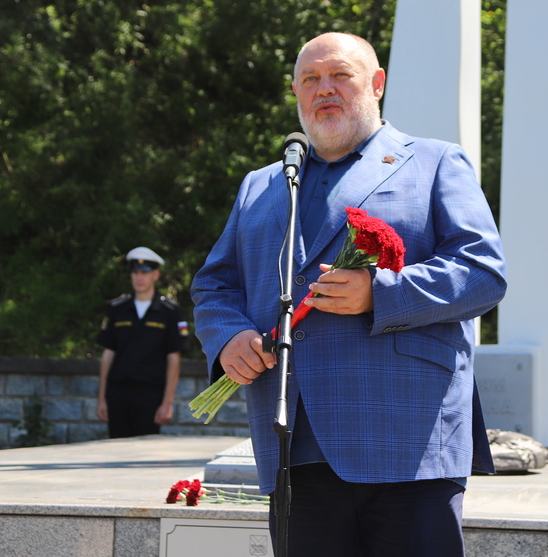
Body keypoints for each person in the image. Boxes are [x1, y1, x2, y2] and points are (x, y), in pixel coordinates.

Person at [191, 32, 507, 557]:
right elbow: (214, 285)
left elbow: (483, 272)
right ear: (296, 92)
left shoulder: (434, 163)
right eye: (310, 79)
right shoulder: (262, 185)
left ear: (377, 84)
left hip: (407, 440)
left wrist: (380, 293)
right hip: (293, 448)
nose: (325, 89)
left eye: (341, 75)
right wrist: (229, 337)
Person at [96, 247, 188, 438]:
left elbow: (173, 358)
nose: (139, 278)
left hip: (150, 393)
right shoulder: (117, 308)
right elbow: (108, 354)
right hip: (118, 391)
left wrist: (167, 402)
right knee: (116, 447)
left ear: (156, 275)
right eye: (135, 272)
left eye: (145, 273)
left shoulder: (169, 311)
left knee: (145, 448)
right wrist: (102, 398)